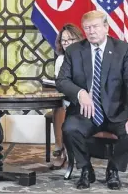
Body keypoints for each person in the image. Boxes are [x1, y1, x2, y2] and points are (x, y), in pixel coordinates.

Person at [56, 10, 128, 190]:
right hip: (86, 112)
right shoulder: (74, 51)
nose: (91, 32)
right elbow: (62, 81)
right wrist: (80, 93)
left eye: (95, 27)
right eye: (87, 28)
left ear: (106, 27)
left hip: (116, 111)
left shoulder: (122, 49)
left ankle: (113, 169)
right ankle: (86, 169)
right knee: (70, 129)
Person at [50, 24, 83, 170]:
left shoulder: (86, 56)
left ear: (78, 39)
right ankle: (60, 149)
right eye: (64, 40)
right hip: (66, 98)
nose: (66, 43)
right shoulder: (60, 59)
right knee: (59, 107)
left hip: (83, 98)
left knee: (63, 107)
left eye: (70, 40)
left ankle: (70, 151)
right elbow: (61, 83)